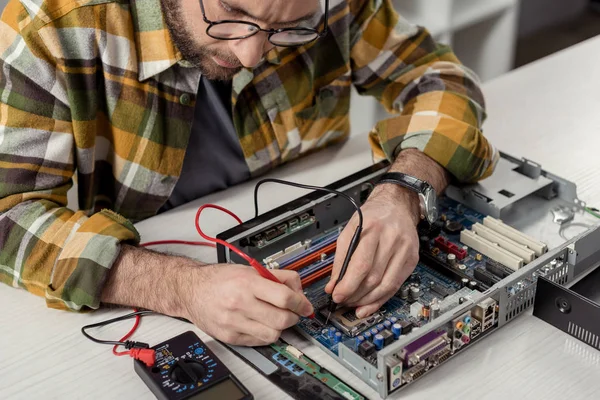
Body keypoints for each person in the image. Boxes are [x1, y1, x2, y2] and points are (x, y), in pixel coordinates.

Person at [0, 0, 497, 346]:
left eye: (291, 25)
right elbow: (8, 218)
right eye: (233, 14)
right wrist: (181, 287)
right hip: (162, 274)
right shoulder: (49, 27)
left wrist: (405, 188)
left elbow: (442, 78)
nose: (250, 55)